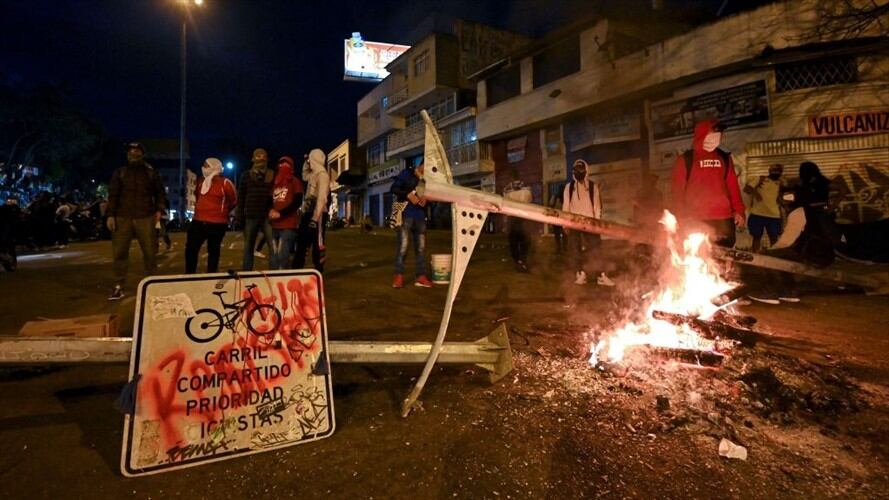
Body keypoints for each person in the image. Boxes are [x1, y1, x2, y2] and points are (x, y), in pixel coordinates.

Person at [748, 161, 835, 304]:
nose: (782, 202)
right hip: (826, 256)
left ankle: (771, 292)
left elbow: (785, 242)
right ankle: (789, 291)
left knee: (769, 256)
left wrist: (767, 252)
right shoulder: (822, 212)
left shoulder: (799, 213)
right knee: (785, 254)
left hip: (810, 256)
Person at [670, 119, 746, 248]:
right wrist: (680, 216)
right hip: (695, 219)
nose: (717, 137)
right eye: (713, 133)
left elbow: (732, 186)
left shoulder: (725, 158)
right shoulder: (686, 159)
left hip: (724, 219)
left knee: (724, 259)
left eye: (719, 134)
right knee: (698, 258)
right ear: (702, 133)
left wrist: (739, 210)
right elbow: (677, 191)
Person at [106, 142, 167, 300]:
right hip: (122, 217)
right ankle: (118, 286)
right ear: (127, 155)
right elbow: (113, 195)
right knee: (119, 253)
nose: (134, 154)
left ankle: (152, 285)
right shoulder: (120, 172)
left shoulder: (151, 173)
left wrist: (159, 210)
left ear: (142, 154)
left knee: (150, 253)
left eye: (137, 152)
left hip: (146, 216)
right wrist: (110, 215)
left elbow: (160, 193)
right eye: (131, 152)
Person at [562, 159, 613, 286]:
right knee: (575, 250)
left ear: (586, 171)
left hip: (590, 224)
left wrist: (597, 224)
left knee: (596, 250)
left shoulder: (592, 187)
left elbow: (597, 206)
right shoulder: (569, 188)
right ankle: (580, 274)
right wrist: (565, 224)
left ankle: (601, 275)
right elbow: (566, 206)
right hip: (574, 223)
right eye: (576, 171)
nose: (578, 173)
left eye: (581, 170)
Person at [185, 158, 237, 274]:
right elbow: (198, 197)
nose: (203, 168)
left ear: (214, 167)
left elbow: (233, 201)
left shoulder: (225, 182)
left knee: (213, 250)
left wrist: (221, 212)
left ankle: (211, 274)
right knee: (191, 249)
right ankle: (189, 274)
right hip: (198, 221)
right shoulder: (200, 182)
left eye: (206, 166)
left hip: (217, 224)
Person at [390, 161, 433, 288]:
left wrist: (427, 200)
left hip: (420, 216)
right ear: (422, 164)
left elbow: (431, 197)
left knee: (421, 248)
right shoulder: (407, 173)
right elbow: (394, 188)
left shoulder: (427, 180)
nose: (428, 170)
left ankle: (420, 276)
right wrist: (407, 195)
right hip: (405, 215)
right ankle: (398, 276)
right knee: (403, 246)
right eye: (427, 167)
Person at [237, 148, 275, 270]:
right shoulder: (245, 175)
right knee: (248, 247)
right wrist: (240, 217)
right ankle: (246, 273)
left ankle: (274, 273)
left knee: (273, 246)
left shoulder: (272, 175)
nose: (260, 160)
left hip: (267, 217)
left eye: (263, 157)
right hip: (251, 216)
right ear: (253, 159)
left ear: (267, 159)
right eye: (257, 157)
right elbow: (241, 197)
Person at [293, 149, 330, 272]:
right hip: (308, 211)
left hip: (318, 214)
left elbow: (322, 198)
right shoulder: (313, 174)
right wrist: (306, 163)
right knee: (302, 240)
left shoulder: (322, 175)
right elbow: (304, 175)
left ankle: (318, 270)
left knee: (317, 243)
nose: (309, 160)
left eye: (311, 158)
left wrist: (315, 218)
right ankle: (297, 267)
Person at [268, 156, 304, 270]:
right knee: (274, 255)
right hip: (274, 225)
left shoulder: (295, 181)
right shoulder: (275, 182)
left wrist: (281, 213)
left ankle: (281, 279)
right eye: (281, 164)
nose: (283, 166)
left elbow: (297, 202)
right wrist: (270, 210)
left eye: (286, 164)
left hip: (288, 225)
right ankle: (273, 279)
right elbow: (269, 199)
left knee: (282, 254)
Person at [744, 164, 784, 252]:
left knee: (774, 238)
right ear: (770, 171)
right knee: (756, 237)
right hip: (757, 214)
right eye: (774, 171)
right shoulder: (761, 179)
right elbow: (746, 189)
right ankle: (755, 257)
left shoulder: (781, 183)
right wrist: (756, 193)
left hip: (774, 216)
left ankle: (775, 257)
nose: (776, 173)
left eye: (778, 171)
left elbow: (781, 198)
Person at [503, 171, 532, 272]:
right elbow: (529, 201)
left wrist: (506, 223)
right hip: (524, 218)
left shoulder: (507, 190)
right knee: (525, 241)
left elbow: (505, 207)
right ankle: (523, 260)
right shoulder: (527, 190)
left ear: (511, 178)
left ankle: (518, 261)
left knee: (513, 242)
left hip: (512, 219)